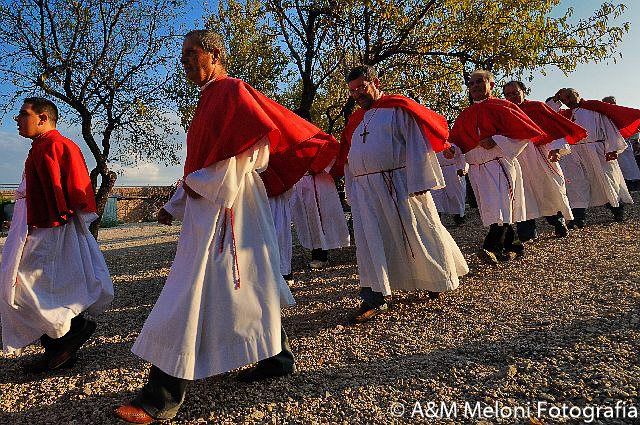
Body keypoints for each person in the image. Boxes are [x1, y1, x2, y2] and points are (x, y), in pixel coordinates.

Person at [113, 30, 339, 423]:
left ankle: (163, 394)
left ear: (214, 54)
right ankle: (277, 356)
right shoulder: (206, 101)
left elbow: (253, 151)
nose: (183, 60)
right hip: (214, 201)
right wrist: (177, 201)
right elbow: (203, 164)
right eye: (182, 54)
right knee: (246, 283)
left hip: (228, 203)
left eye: (190, 53)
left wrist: (194, 193)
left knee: (189, 291)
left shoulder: (232, 90)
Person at [332, 65, 468, 323]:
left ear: (375, 82)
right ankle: (375, 295)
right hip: (365, 189)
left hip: (399, 183)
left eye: (361, 87)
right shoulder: (355, 121)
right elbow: (350, 157)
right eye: (352, 91)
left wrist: (420, 180)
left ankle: (434, 278)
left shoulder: (397, 109)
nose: (357, 94)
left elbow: (417, 143)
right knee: (371, 240)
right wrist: (353, 188)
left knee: (416, 231)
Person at [0, 97, 113, 373]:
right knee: (36, 285)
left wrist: (64, 222)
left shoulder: (59, 145)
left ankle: (73, 331)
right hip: (38, 224)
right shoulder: (39, 146)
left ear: (43, 118)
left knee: (27, 285)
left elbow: (76, 187)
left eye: (23, 114)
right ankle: (60, 348)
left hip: (51, 228)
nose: (17, 119)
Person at [449, 70, 544, 264]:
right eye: (471, 83)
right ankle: (514, 246)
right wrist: (452, 150)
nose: (475, 85)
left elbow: (524, 132)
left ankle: (490, 247)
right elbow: (457, 140)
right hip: (477, 168)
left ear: (491, 85)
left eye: (479, 82)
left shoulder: (503, 106)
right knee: (492, 209)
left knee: (501, 206)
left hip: (499, 163)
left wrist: (496, 140)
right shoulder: (465, 114)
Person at [502, 81, 587, 241]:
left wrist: (556, 149)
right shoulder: (504, 113)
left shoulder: (537, 107)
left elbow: (552, 127)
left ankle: (558, 221)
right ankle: (527, 233)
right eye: (508, 94)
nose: (512, 96)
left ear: (524, 92)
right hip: (517, 158)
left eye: (515, 92)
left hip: (540, 154)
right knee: (522, 193)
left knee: (547, 189)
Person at [548, 88, 635, 226]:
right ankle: (578, 218)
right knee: (577, 183)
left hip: (598, 150)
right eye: (564, 99)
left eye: (569, 97)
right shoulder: (565, 115)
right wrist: (555, 100)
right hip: (575, 152)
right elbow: (548, 113)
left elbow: (608, 128)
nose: (567, 101)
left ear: (577, 95)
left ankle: (618, 210)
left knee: (606, 181)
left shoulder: (594, 109)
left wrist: (613, 149)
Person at [290, 109, 350, 269]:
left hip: (320, 183)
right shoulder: (291, 140)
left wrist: (317, 166)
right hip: (303, 183)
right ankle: (315, 252)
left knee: (322, 218)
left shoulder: (319, 138)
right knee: (309, 220)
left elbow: (332, 153)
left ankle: (322, 254)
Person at [602, 96, 640, 191]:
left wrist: (636, 141)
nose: (611, 105)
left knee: (627, 168)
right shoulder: (600, 116)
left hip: (624, 145)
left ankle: (629, 187)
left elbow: (631, 126)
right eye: (608, 103)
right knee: (612, 170)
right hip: (607, 147)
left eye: (612, 102)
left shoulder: (621, 114)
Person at [431, 144, 468, 226]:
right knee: (436, 195)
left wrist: (462, 167)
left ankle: (459, 217)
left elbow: (461, 152)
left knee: (457, 194)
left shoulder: (452, 136)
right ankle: (437, 219)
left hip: (453, 168)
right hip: (436, 169)